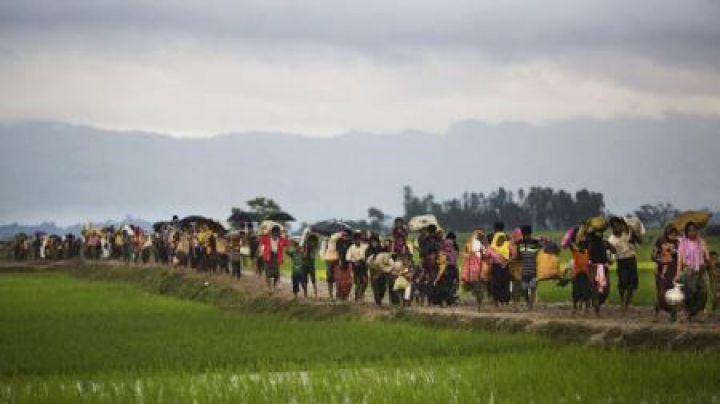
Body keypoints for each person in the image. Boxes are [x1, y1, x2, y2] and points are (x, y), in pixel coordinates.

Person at [675, 222, 709, 321]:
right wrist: (678, 273)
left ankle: (698, 312)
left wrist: (706, 258)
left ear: (697, 231)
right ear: (686, 232)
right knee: (689, 292)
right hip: (688, 270)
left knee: (702, 292)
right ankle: (688, 312)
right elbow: (680, 260)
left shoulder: (701, 241)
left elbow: (706, 256)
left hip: (701, 269)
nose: (692, 232)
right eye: (689, 230)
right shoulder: (683, 243)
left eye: (694, 230)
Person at [608, 216, 640, 312]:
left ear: (622, 225)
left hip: (631, 259)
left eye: (619, 225)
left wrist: (633, 232)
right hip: (621, 261)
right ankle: (623, 302)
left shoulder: (627, 233)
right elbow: (612, 254)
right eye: (615, 226)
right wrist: (610, 260)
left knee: (632, 283)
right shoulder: (611, 240)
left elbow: (638, 241)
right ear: (612, 228)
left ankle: (627, 303)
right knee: (622, 283)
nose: (618, 228)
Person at [585, 228, 612, 316]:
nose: (599, 234)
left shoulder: (603, 242)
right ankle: (597, 308)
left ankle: (597, 304)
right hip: (594, 266)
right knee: (596, 290)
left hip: (603, 266)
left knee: (605, 291)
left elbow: (613, 250)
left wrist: (608, 244)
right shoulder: (590, 241)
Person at [461, 230, 489, 310]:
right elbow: (485, 254)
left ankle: (478, 303)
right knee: (479, 286)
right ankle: (479, 304)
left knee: (475, 285)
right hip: (479, 269)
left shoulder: (469, 244)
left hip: (471, 270)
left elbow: (466, 256)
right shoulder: (480, 246)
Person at [515, 225, 541, 310]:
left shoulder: (521, 243)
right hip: (531, 270)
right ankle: (529, 304)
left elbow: (518, 256)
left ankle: (529, 304)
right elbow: (540, 251)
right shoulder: (534, 242)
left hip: (528, 270)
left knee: (528, 288)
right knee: (529, 288)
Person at [567, 227, 592, 313]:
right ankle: (575, 307)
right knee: (576, 291)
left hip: (585, 272)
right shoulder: (575, 247)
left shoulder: (586, 246)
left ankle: (586, 307)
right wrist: (574, 244)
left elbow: (588, 248)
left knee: (586, 290)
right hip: (577, 272)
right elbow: (569, 243)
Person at [259, 226, 289, 294]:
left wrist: (286, 234)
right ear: (272, 233)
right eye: (274, 232)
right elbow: (261, 239)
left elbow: (287, 243)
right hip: (268, 257)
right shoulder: (267, 238)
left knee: (276, 274)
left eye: (277, 233)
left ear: (278, 233)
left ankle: (274, 287)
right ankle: (269, 288)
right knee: (268, 274)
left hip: (276, 258)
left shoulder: (281, 239)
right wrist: (265, 231)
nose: (275, 234)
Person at [488, 231, 511, 307]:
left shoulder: (507, 246)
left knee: (505, 284)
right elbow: (488, 257)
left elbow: (510, 256)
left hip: (505, 268)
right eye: (500, 239)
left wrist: (506, 263)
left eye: (503, 239)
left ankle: (504, 301)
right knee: (496, 285)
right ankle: (497, 301)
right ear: (496, 239)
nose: (501, 240)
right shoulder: (492, 248)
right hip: (496, 267)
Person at [346, 232, 369, 301]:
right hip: (356, 266)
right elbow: (347, 257)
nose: (357, 241)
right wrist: (354, 261)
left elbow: (368, 254)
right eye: (356, 239)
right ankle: (356, 297)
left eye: (358, 239)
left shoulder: (365, 246)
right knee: (358, 283)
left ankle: (361, 294)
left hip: (364, 265)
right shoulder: (351, 247)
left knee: (365, 282)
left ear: (360, 239)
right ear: (353, 240)